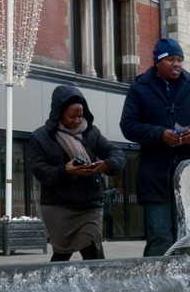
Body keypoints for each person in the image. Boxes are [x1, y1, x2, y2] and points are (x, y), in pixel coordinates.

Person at [120, 38, 190, 256]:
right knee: (159, 235)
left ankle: (187, 283)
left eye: (180, 60)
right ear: (158, 62)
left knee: (188, 236)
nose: (177, 64)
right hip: (155, 176)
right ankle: (157, 284)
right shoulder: (139, 89)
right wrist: (159, 135)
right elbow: (128, 126)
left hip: (189, 177)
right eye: (171, 60)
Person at [29, 85, 125, 262]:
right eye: (72, 116)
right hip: (58, 206)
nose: (77, 120)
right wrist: (65, 170)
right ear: (59, 113)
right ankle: (54, 288)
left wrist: (107, 164)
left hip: (89, 204)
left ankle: (99, 287)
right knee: (61, 255)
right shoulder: (40, 137)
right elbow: (39, 170)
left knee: (92, 251)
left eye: (80, 115)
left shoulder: (91, 133)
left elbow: (117, 153)